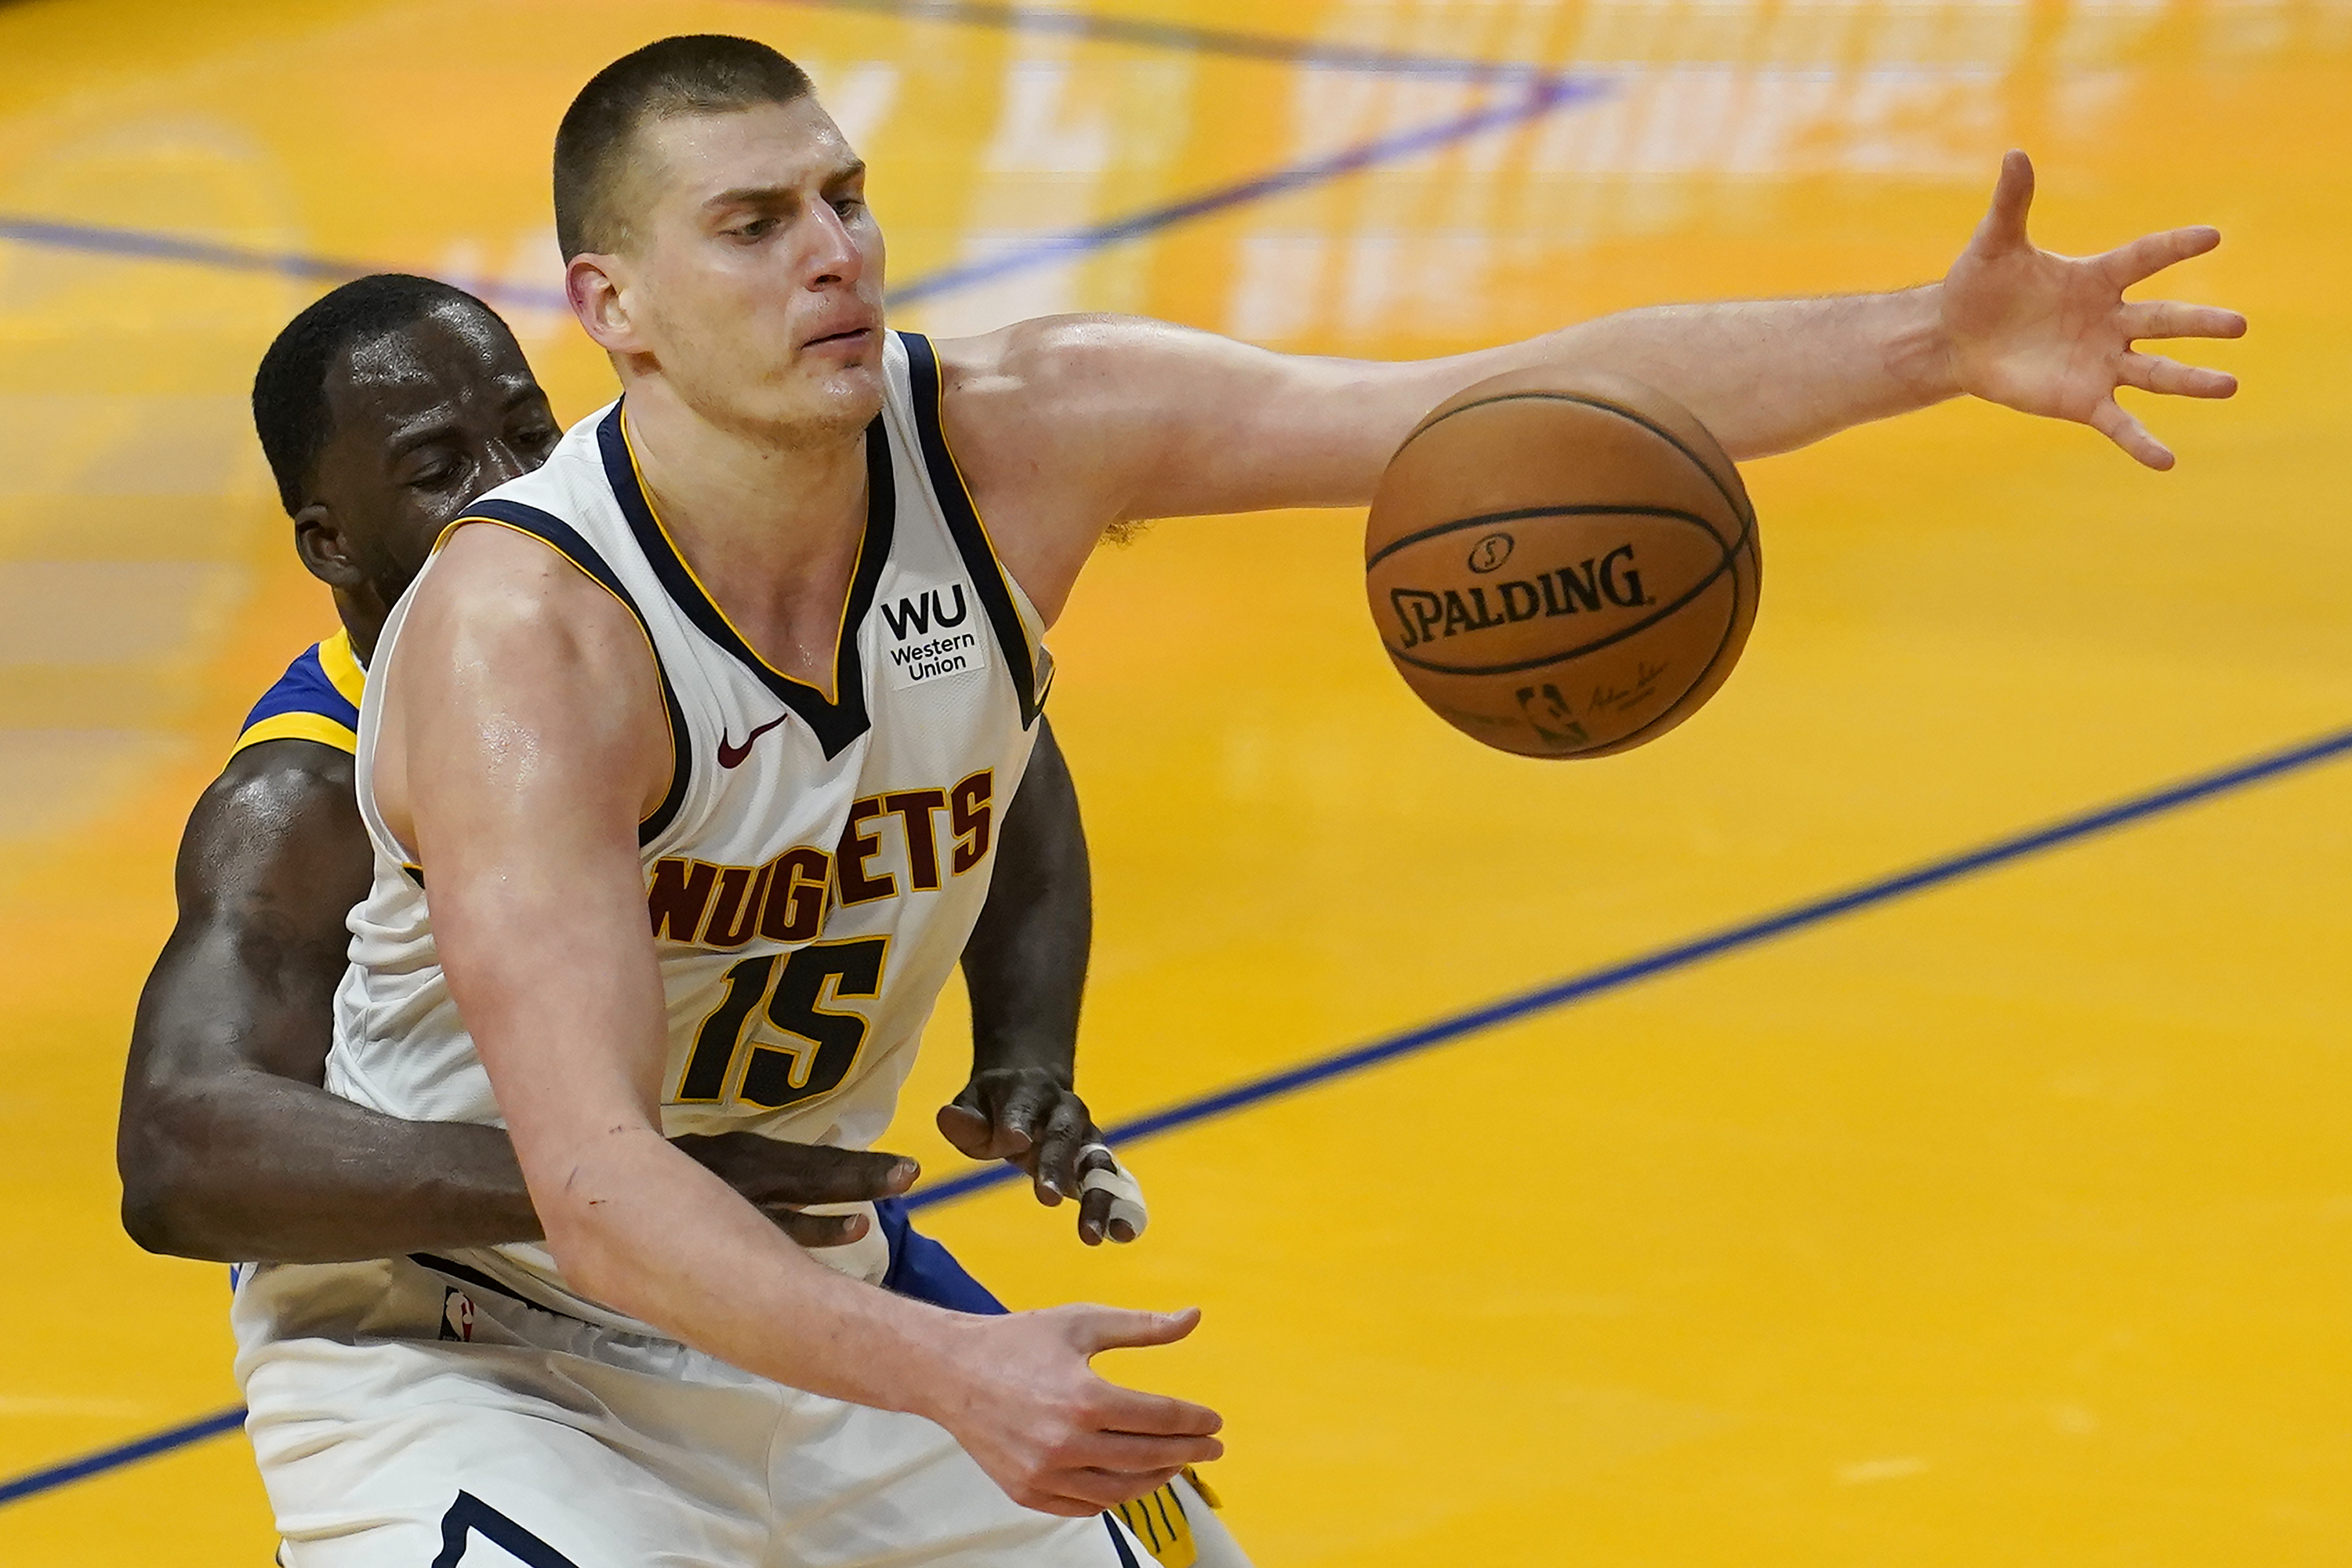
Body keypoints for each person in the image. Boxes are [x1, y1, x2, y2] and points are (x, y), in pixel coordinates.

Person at [234, 31, 2244, 1567]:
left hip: (811, 1308)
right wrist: (958, 1366)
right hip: (481, 1343)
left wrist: (1933, 340)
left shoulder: (1022, 434)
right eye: (755, 226)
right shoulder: (527, 637)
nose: (834, 251)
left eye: (843, 196)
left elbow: (1480, 407)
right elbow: (590, 1185)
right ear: (619, 308)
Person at [120, 273, 1226, 1565]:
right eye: (436, 468)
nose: (507, 485)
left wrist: (1026, 1050)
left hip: (780, 1281)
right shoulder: (303, 789)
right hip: (466, 1321)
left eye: (527, 434)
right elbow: (183, 1148)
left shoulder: (682, 609)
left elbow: (990, 735)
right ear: (330, 543)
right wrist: (626, 1188)